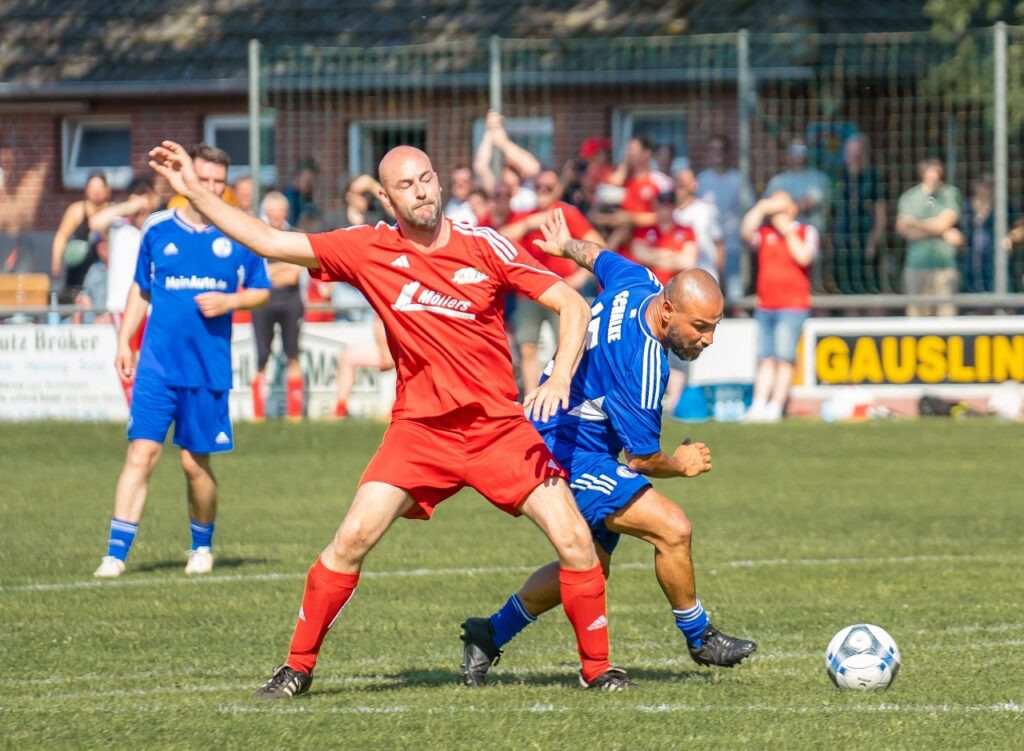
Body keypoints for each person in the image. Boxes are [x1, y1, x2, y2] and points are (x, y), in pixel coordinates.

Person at [148, 139, 628, 696]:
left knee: (574, 540)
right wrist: (193, 193)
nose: (421, 191)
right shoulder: (364, 249)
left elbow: (571, 303)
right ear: (385, 196)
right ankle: (296, 669)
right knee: (350, 539)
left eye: (426, 179)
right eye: (406, 185)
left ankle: (599, 672)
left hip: (498, 429)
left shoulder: (485, 245)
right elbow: (268, 239)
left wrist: (560, 376)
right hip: (419, 432)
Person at [459, 208, 756, 687]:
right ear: (668, 311)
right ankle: (701, 637)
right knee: (673, 529)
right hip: (566, 449)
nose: (708, 339)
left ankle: (488, 634)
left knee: (589, 566)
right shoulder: (642, 366)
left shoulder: (638, 280)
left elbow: (597, 256)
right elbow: (641, 459)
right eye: (700, 327)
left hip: (558, 436)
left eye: (714, 326)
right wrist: (680, 464)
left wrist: (565, 247)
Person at [93, 144, 271, 579]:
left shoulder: (240, 232)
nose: (211, 188)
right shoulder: (156, 229)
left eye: (218, 183)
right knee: (142, 454)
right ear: (186, 178)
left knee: (195, 464)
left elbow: (263, 290)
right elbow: (141, 289)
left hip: (207, 368)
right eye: (204, 179)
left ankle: (202, 546)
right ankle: (115, 555)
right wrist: (124, 343)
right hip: (157, 365)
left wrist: (231, 300)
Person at [499, 168, 606, 394]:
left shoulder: (568, 214)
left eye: (548, 188)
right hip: (529, 293)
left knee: (569, 344)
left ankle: (569, 395)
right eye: (538, 187)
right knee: (527, 347)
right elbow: (497, 239)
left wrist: (580, 276)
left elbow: (596, 246)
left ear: (557, 189)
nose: (542, 192)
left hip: (561, 290)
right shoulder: (527, 215)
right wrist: (530, 223)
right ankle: (531, 398)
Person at [740, 191, 818, 422]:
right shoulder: (764, 233)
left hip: (793, 305)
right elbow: (745, 231)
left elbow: (804, 257)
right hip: (766, 304)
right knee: (765, 358)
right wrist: (762, 207)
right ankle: (759, 404)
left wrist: (787, 231)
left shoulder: (806, 231)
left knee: (784, 357)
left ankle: (775, 405)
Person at [88, 176, 161, 405]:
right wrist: (129, 206)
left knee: (152, 360)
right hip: (122, 304)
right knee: (126, 357)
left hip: (153, 305)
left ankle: (153, 407)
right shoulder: (119, 225)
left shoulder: (157, 228)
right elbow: (95, 222)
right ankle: (136, 411)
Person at [251, 191, 306, 421]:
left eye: (280, 210)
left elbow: (294, 274)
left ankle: (294, 415)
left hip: (291, 302)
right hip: (263, 302)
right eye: (272, 211)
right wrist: (282, 268)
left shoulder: (296, 236)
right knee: (262, 357)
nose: (276, 215)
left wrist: (272, 273)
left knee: (292, 355)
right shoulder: (256, 237)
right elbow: (256, 275)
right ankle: (258, 415)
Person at [895, 157, 963, 317]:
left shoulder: (950, 193)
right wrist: (942, 231)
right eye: (931, 170)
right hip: (916, 266)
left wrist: (915, 223)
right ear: (923, 171)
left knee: (947, 317)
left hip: (944, 266)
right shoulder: (909, 197)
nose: (934, 175)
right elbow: (903, 228)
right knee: (916, 319)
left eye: (937, 171)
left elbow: (945, 221)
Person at [697, 135, 753, 304]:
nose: (716, 154)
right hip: (707, 246)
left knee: (735, 290)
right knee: (707, 290)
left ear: (728, 153)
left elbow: (749, 209)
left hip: (733, 244)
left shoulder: (738, 180)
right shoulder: (702, 180)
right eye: (712, 149)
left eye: (720, 150)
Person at [829, 134, 887, 296]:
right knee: (847, 293)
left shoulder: (873, 179)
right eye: (850, 153)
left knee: (871, 291)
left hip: (866, 245)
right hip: (843, 247)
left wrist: (873, 242)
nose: (853, 157)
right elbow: (831, 214)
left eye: (857, 153)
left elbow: (881, 214)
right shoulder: (839, 179)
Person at [51, 170, 111, 304]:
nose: (96, 191)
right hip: (79, 270)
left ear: (108, 191)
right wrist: (56, 261)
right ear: (86, 190)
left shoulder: (112, 211)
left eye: (100, 187)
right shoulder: (76, 210)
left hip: (103, 270)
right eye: (92, 187)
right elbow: (61, 236)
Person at [473, 110, 541, 213]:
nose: (506, 172)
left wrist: (504, 143)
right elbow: (480, 166)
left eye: (512, 169)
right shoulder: (498, 193)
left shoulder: (528, 194)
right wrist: (489, 131)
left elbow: (534, 167)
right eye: (505, 168)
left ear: (519, 175)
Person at [331, 316, 395, 419]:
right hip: (388, 349)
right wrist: (384, 350)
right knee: (347, 356)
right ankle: (341, 408)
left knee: (407, 364)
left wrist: (385, 351)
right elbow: (380, 325)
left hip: (401, 349)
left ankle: (396, 409)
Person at [764, 137, 829, 235]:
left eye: (801, 149)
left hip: (809, 241)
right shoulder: (777, 181)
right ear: (788, 154)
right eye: (794, 150)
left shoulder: (819, 179)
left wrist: (779, 206)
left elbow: (807, 204)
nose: (798, 154)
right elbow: (766, 209)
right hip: (781, 241)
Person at [283, 158, 321, 231]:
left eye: (313, 182)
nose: (311, 185)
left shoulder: (307, 199)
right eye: (308, 181)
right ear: (297, 176)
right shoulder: (288, 198)